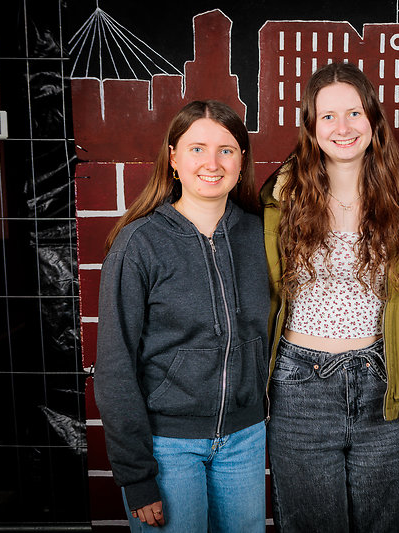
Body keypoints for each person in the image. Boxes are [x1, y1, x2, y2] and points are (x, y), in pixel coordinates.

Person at [261, 61, 399, 532]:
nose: (343, 127)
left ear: (372, 118)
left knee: (380, 525)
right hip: (301, 386)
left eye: (354, 113)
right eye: (328, 116)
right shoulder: (281, 198)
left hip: (382, 382)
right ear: (311, 127)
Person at [95, 100, 269, 532]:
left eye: (226, 150)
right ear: (173, 158)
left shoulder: (262, 235)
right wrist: (137, 476)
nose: (212, 163)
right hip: (167, 446)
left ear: (241, 160)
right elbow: (115, 367)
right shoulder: (139, 244)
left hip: (245, 440)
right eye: (196, 149)